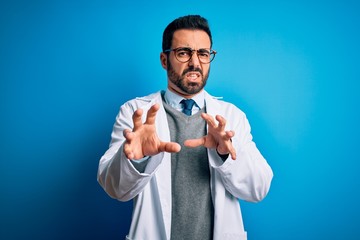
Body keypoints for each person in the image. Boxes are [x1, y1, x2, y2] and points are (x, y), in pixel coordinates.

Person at [97, 15, 273, 240]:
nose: (195, 63)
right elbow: (115, 188)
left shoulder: (231, 117)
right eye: (183, 52)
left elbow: (258, 189)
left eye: (203, 53)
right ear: (164, 60)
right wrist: (136, 160)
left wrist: (225, 154)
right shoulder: (136, 113)